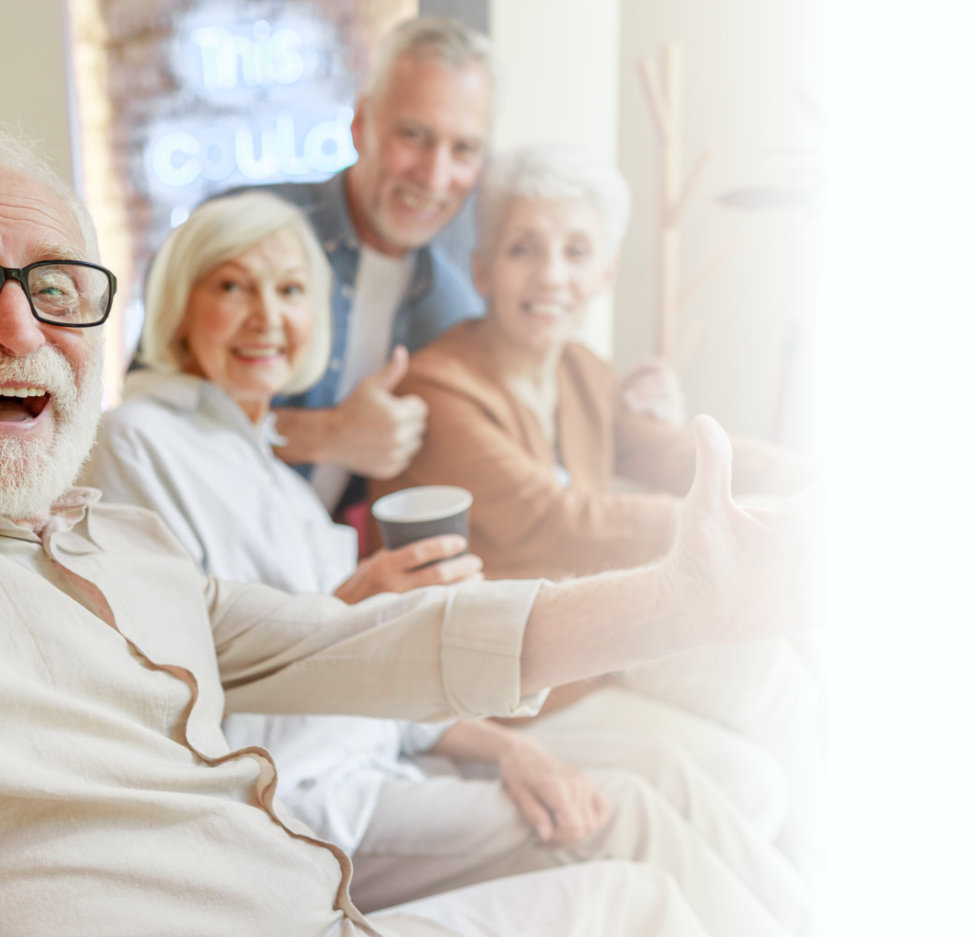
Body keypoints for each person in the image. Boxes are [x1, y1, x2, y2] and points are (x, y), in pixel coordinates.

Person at [0, 131, 811, 937]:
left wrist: (682, 601)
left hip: (328, 900)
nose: (17, 324)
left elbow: (373, 642)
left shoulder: (119, 542)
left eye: (58, 289)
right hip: (333, 831)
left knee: (647, 895)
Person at [81, 191, 809, 936]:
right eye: (232, 286)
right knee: (623, 823)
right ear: (176, 306)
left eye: (291, 290)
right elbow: (174, 676)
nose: (267, 316)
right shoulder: (137, 441)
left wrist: (507, 750)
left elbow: (377, 685)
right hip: (300, 798)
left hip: (385, 758)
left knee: (640, 788)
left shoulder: (275, 475)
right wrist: (351, 601)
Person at [363, 143, 827, 884]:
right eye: (524, 248)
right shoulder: (440, 389)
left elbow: (671, 450)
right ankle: (776, 896)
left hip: (597, 647)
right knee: (745, 782)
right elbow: (560, 519)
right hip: (510, 689)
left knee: (773, 669)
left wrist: (819, 480)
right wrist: (751, 517)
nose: (552, 274)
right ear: (483, 269)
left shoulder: (581, 371)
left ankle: (822, 874)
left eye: (576, 251)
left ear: (603, 273)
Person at [232, 17, 679, 522]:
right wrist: (327, 434)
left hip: (323, 581)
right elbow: (149, 414)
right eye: (414, 136)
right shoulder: (252, 234)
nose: (435, 175)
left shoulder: (451, 304)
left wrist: (640, 407)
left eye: (463, 149)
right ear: (360, 127)